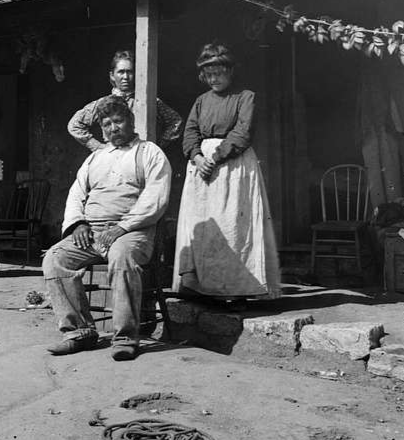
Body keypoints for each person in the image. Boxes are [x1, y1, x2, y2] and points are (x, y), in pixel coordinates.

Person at [43, 96, 172, 361]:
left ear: (130, 121)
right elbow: (76, 193)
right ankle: (79, 332)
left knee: (121, 256)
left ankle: (125, 337)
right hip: (91, 232)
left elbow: (155, 198)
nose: (114, 128)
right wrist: (78, 224)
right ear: (101, 129)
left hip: (133, 231)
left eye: (118, 121)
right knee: (55, 258)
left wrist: (123, 227)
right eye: (107, 124)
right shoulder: (95, 158)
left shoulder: (149, 152)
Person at [173, 42, 281, 302]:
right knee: (204, 226)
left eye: (219, 73)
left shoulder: (245, 97)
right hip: (202, 171)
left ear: (230, 72)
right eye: (209, 75)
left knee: (232, 224)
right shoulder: (201, 101)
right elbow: (190, 132)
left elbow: (242, 132)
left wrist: (217, 157)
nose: (214, 79)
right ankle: (202, 286)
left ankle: (235, 289)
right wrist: (198, 157)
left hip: (233, 167)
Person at [67, 50, 182, 151]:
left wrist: (158, 145)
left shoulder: (150, 101)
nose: (126, 77)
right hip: (113, 157)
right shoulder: (103, 103)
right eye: (121, 72)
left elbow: (176, 122)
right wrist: (99, 147)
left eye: (130, 72)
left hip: (141, 155)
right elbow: (74, 125)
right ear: (112, 75)